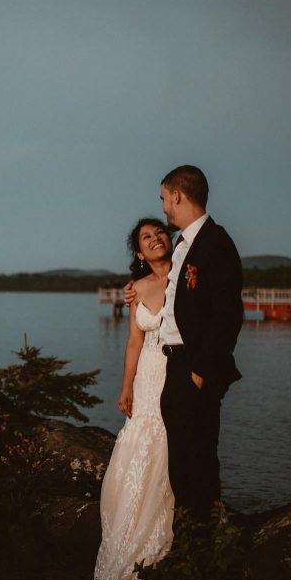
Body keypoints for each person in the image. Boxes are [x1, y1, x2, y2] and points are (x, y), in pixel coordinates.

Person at [125, 165, 244, 520]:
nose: (163, 208)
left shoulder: (215, 243)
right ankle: (188, 536)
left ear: (177, 195)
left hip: (194, 367)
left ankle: (203, 541)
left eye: (164, 199)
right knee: (180, 459)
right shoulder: (183, 245)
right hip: (173, 365)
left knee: (199, 457)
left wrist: (201, 368)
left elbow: (228, 314)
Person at [93, 218, 176, 580]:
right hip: (146, 376)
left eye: (159, 232)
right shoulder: (136, 290)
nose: (156, 238)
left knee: (168, 446)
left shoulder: (185, 278)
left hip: (176, 374)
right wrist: (126, 387)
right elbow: (133, 342)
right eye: (146, 237)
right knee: (140, 445)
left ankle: (162, 537)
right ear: (139, 253)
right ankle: (128, 536)